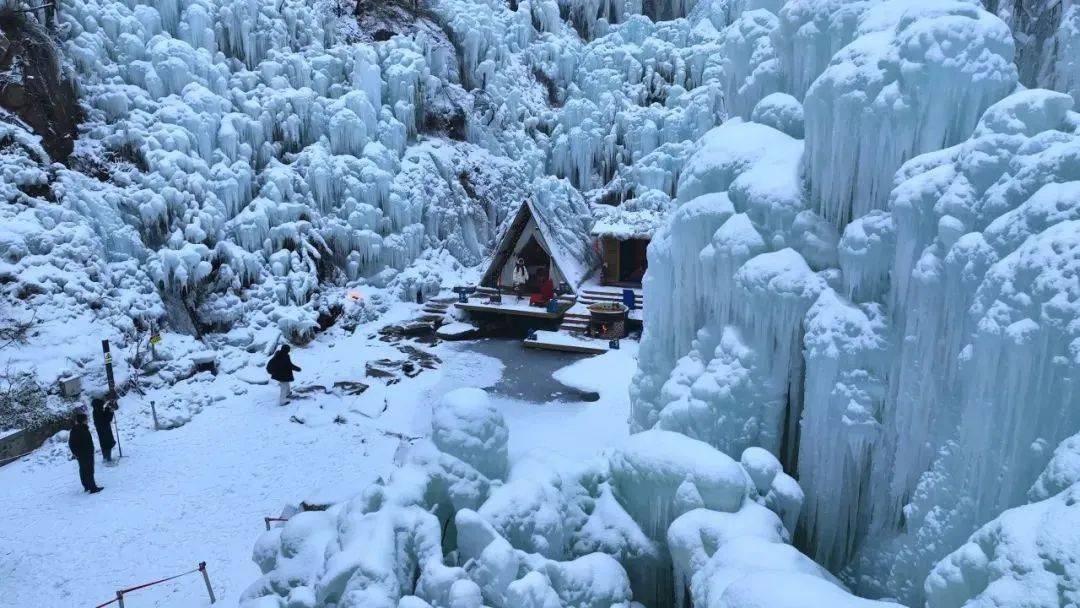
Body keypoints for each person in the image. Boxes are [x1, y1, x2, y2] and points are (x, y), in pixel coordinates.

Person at [69, 412, 103, 494]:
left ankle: (87, 486)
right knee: (89, 470)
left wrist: (76, 453)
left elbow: (72, 443)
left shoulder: (78, 428)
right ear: (83, 420)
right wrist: (77, 453)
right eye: (86, 419)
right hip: (85, 454)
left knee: (84, 470)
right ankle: (92, 488)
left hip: (84, 453)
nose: (87, 421)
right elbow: (72, 443)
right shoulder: (79, 429)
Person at [91, 397, 117, 463]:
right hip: (105, 430)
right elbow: (107, 419)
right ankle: (108, 459)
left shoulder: (95, 411)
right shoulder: (99, 411)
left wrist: (107, 408)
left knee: (103, 443)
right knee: (107, 443)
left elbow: (105, 416)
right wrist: (110, 411)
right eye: (102, 405)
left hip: (101, 430)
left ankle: (105, 458)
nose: (103, 406)